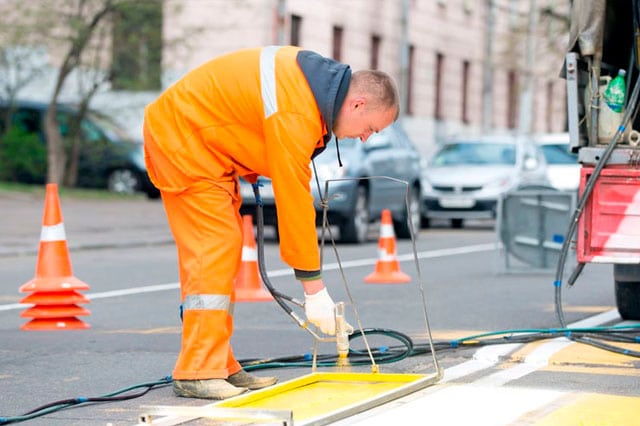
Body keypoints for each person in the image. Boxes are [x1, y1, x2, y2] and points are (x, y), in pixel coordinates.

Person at [142, 45, 399, 400]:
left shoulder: (313, 89)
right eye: (371, 128)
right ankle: (198, 371)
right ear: (357, 104)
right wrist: (313, 287)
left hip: (204, 145)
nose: (366, 137)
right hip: (185, 142)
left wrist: (248, 154)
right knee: (213, 247)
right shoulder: (300, 110)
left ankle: (219, 363)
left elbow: (246, 111)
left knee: (223, 251)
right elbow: (294, 198)